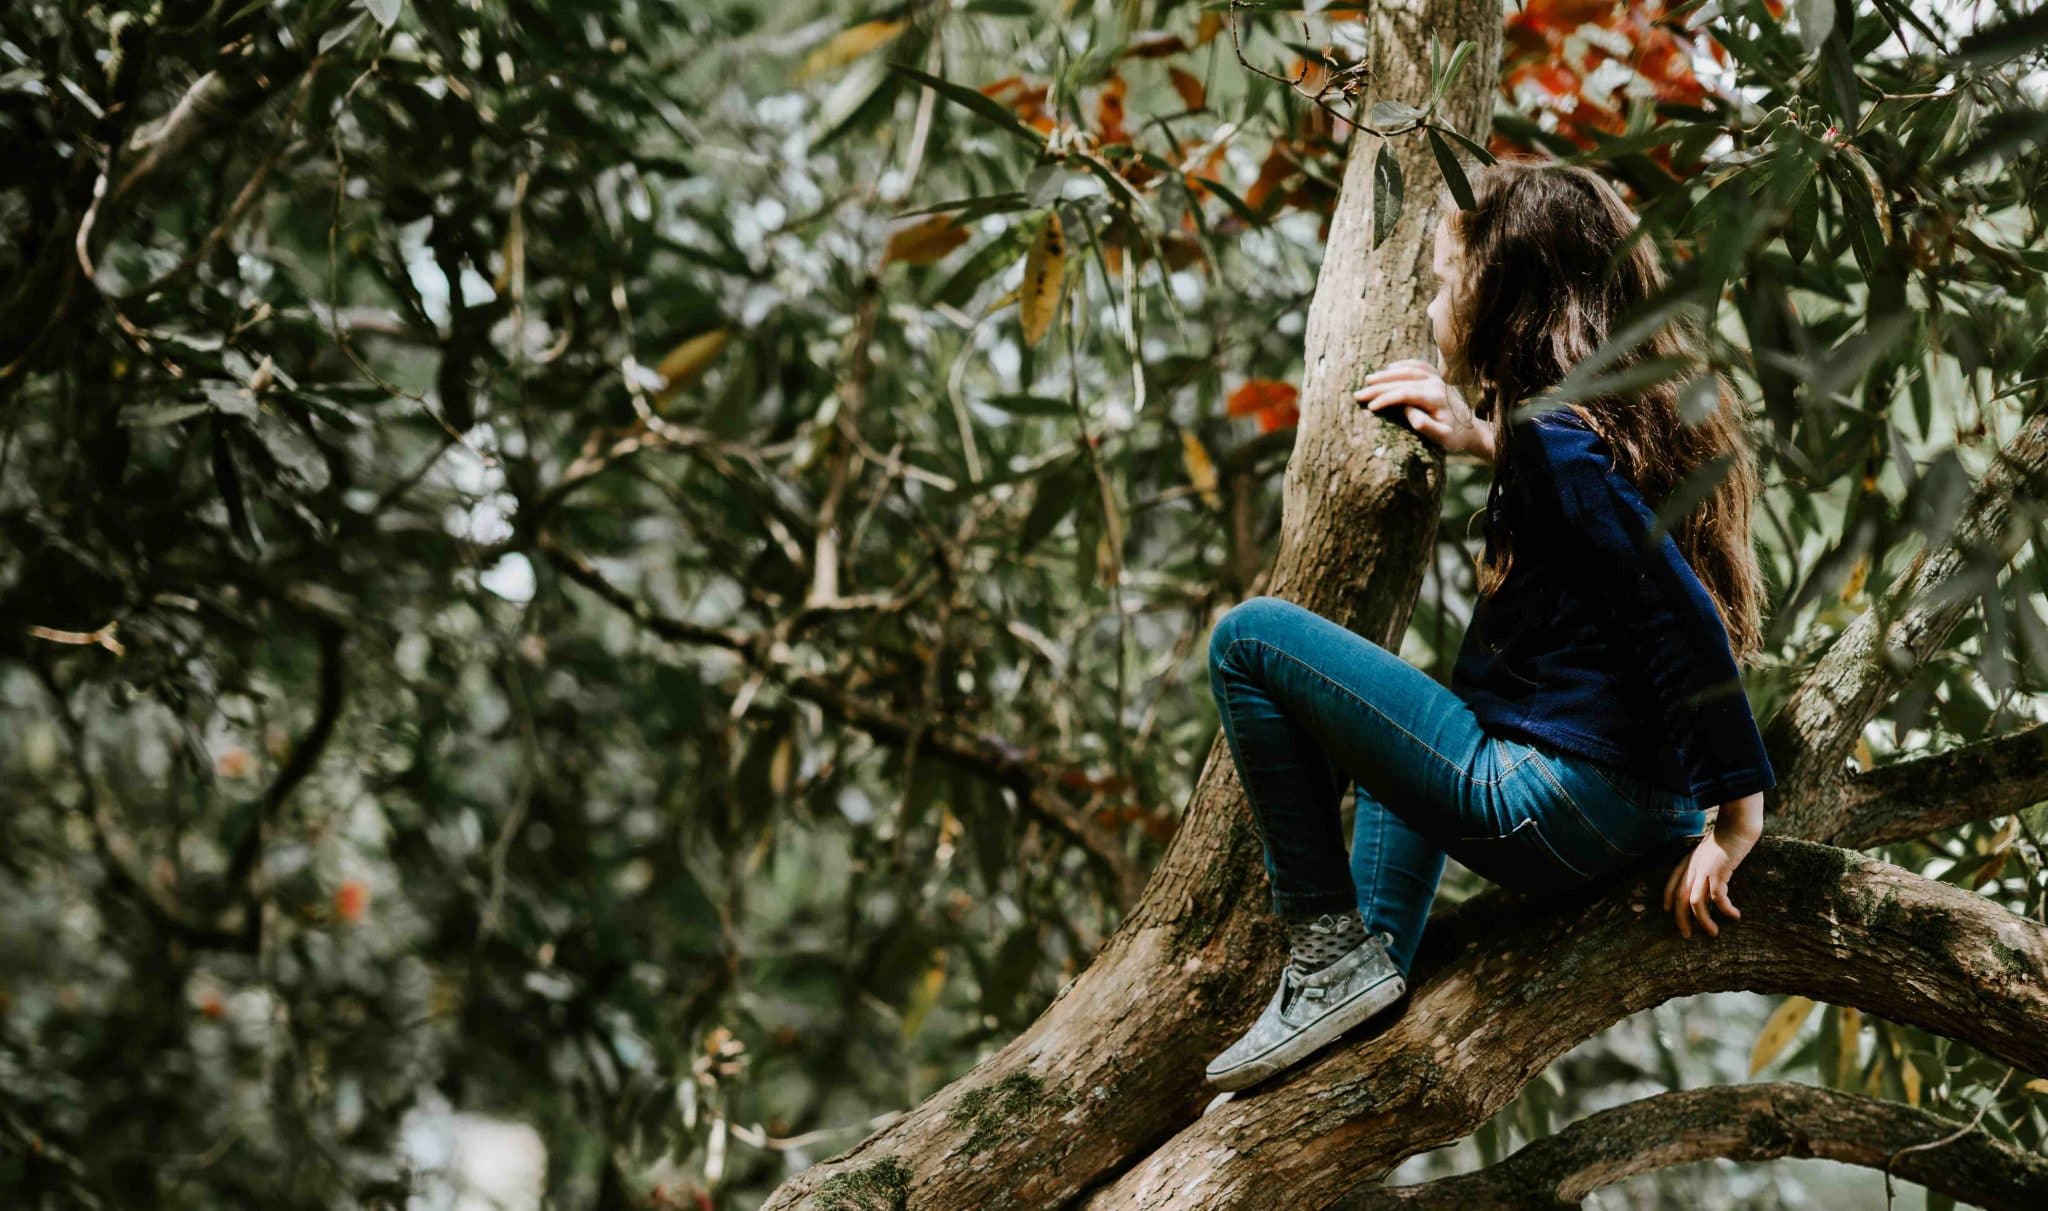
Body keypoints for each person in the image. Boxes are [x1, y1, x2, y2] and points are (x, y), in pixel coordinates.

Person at [1202, 159, 1775, 1094]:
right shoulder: (1596, 432)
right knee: (1410, 733)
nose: (1431, 306)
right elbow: (1609, 537)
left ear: (1502, 290)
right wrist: (1481, 437)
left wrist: (1741, 816)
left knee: (1249, 640)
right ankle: (1366, 968)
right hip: (1631, 812)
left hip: (1554, 804)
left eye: (1440, 281)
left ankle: (1326, 943)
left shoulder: (1557, 440)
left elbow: (1682, 618)